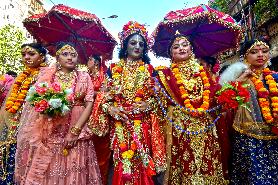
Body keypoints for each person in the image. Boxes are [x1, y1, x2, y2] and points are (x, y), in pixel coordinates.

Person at [89, 21, 166, 185]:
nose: (137, 46)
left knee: (142, 161)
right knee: (122, 162)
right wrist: (111, 108)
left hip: (142, 124)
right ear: (125, 45)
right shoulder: (113, 69)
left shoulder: (151, 70)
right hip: (120, 124)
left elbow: (160, 98)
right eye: (133, 42)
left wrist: (148, 104)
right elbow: (102, 97)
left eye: (141, 44)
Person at [15, 42, 102, 184]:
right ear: (57, 57)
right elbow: (38, 102)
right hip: (52, 128)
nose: (70, 58)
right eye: (65, 54)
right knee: (51, 166)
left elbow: (89, 103)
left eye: (73, 55)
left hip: (77, 127)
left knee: (75, 163)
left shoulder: (84, 76)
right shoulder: (49, 76)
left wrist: (75, 131)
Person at [155, 34, 228, 184]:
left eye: (184, 45)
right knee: (185, 163)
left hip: (204, 126)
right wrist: (156, 91)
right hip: (180, 127)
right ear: (171, 54)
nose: (181, 48)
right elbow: (160, 103)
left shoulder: (203, 72)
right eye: (176, 47)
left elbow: (214, 96)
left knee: (208, 161)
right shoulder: (165, 75)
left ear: (191, 49)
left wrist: (228, 96)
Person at [219, 38, 278, 184]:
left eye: (264, 51)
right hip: (248, 137)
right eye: (254, 52)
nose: (260, 55)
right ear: (245, 56)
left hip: (275, 134)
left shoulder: (276, 78)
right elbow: (225, 102)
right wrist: (241, 80)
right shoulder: (237, 77)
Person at [0, 43, 47, 184]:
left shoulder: (45, 75)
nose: (26, 57)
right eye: (24, 54)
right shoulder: (22, 75)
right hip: (14, 124)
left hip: (34, 128)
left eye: (31, 54)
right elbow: (9, 103)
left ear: (42, 57)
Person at [87, 54, 111, 185]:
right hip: (84, 115)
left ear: (96, 62)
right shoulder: (85, 75)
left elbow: (107, 93)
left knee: (100, 150)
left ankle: (100, 180)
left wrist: (90, 93)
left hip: (99, 116)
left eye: (89, 60)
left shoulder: (104, 76)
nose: (87, 62)